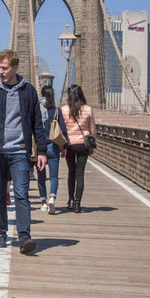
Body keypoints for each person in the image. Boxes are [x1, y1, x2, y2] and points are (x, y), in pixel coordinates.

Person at [0, 49, 47, 254]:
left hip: (20, 152)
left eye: (5, 68)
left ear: (15, 68)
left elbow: (36, 123)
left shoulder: (28, 91)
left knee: (22, 194)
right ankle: (1, 233)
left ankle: (24, 237)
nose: (1, 72)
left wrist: (41, 150)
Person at [60, 84, 97, 213]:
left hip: (69, 144)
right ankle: (77, 203)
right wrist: (92, 144)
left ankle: (70, 200)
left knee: (71, 172)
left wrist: (62, 146)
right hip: (83, 145)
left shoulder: (64, 110)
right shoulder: (88, 109)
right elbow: (92, 129)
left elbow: (62, 130)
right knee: (80, 175)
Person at [35, 84, 64, 215]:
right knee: (53, 176)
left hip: (40, 147)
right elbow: (63, 130)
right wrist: (64, 147)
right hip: (54, 146)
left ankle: (43, 203)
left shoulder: (36, 109)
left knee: (41, 176)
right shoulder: (57, 111)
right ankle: (52, 198)